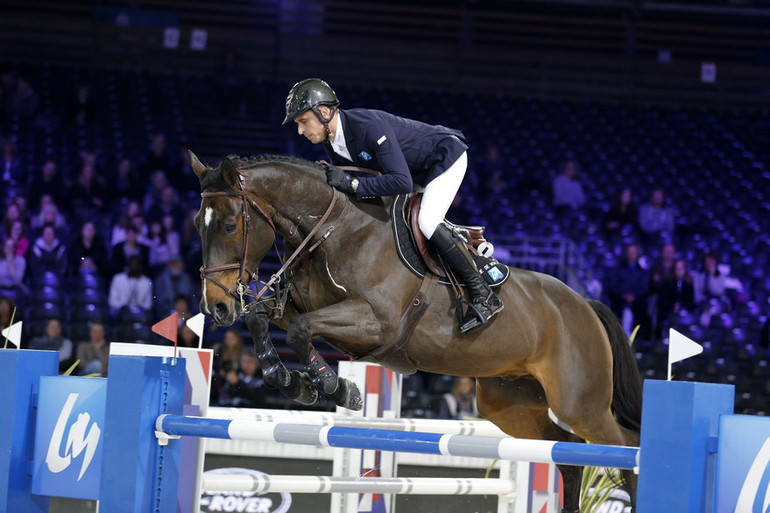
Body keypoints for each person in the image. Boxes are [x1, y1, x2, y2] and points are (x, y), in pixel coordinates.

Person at [283, 78, 502, 334]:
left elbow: (400, 182)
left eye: (302, 121)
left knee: (427, 221)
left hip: (444, 157)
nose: (300, 131)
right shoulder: (332, 143)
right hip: (416, 174)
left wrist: (353, 185)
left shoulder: (367, 127)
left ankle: (483, 293)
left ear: (324, 112)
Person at [606, 243, 650, 337]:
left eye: (634, 252)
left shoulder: (642, 271)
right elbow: (613, 285)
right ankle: (616, 338)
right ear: (626, 253)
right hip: (620, 300)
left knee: (642, 308)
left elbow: (644, 288)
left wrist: (634, 296)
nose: (631, 254)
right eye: (630, 252)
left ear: (637, 254)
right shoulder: (618, 269)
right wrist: (624, 295)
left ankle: (638, 340)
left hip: (637, 301)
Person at [656, 259, 695, 335]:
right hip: (668, 312)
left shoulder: (688, 284)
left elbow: (691, 302)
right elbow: (662, 301)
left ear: (685, 270)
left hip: (684, 313)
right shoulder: (667, 283)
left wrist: (681, 307)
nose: (679, 271)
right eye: (677, 268)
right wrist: (673, 306)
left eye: (681, 268)